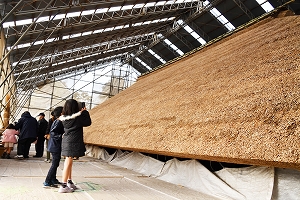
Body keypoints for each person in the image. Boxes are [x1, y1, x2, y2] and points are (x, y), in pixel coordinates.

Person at [58, 99, 91, 193]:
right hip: (73, 142)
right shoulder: (77, 118)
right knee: (67, 163)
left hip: (67, 141)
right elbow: (88, 122)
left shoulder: (64, 118)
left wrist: (80, 113)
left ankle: (69, 182)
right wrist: (84, 112)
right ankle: (64, 186)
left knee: (69, 162)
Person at [43, 107, 63, 187]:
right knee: (54, 164)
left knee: (56, 163)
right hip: (55, 146)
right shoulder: (58, 122)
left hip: (54, 145)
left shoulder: (57, 121)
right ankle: (47, 181)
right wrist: (61, 136)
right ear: (61, 113)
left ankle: (53, 179)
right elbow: (53, 133)